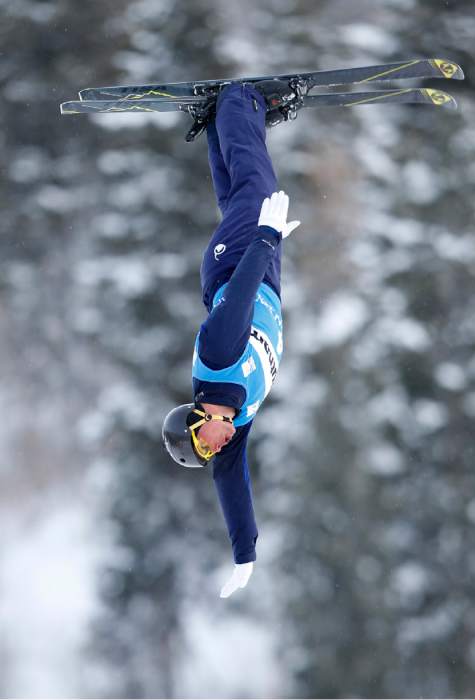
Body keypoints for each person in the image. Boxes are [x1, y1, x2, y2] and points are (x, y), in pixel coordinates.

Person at [162, 81, 301, 598]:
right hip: (264, 277)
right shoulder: (233, 424)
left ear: (198, 419)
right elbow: (232, 486)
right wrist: (245, 553)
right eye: (208, 453)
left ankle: (241, 100)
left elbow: (239, 299)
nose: (215, 449)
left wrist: (266, 239)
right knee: (238, 194)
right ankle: (219, 120)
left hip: (238, 265)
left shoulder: (216, 361)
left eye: (204, 443)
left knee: (257, 185)